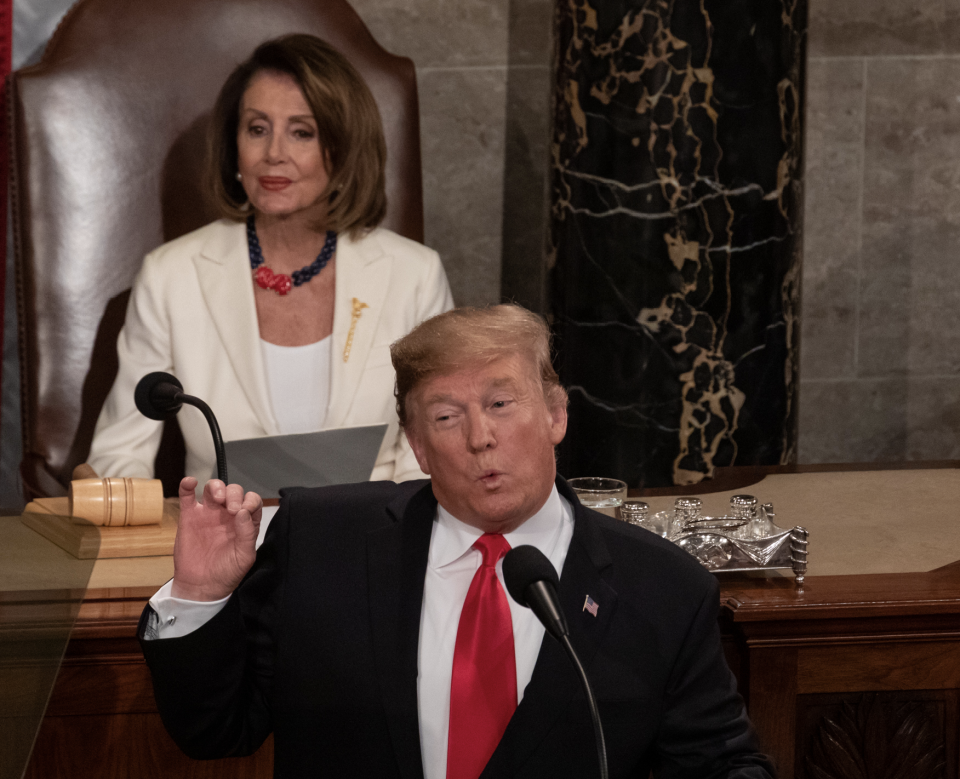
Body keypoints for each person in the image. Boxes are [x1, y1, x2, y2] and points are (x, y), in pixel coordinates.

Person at [139, 305, 775, 779]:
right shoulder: (320, 544)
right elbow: (215, 731)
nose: (480, 438)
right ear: (416, 444)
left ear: (555, 414)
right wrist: (200, 596)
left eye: (502, 403)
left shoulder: (661, 588)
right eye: (446, 416)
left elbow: (720, 765)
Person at [88, 34, 453, 484]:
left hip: (370, 541)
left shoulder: (414, 276)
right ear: (234, 146)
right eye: (257, 129)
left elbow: (432, 452)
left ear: (342, 150)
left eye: (302, 132)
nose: (273, 153)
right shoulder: (171, 276)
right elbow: (118, 456)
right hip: (221, 541)